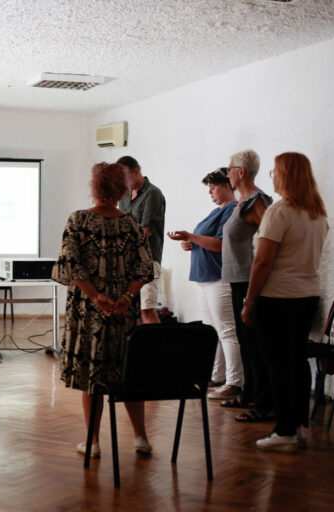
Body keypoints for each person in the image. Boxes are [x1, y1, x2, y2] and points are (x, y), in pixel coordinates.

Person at [53, 162, 154, 458]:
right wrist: (126, 296)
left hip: (88, 313)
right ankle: (141, 438)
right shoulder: (132, 224)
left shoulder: (78, 220)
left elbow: (72, 265)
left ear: (94, 187)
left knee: (92, 378)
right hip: (124, 313)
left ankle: (93, 442)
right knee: (129, 373)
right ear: (121, 189)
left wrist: (96, 297)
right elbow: (145, 267)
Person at [241, 152, 328, 454]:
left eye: (275, 172)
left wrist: (249, 301)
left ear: (286, 176)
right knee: (297, 362)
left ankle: (285, 432)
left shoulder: (279, 212)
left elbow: (263, 262)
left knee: (277, 365)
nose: (272, 178)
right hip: (307, 296)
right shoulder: (317, 213)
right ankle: (299, 425)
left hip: (277, 298)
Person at [167, 168, 243, 400]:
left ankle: (235, 381)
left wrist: (190, 237)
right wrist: (189, 243)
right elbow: (205, 240)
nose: (210, 192)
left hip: (219, 278)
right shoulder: (216, 211)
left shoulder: (232, 209)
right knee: (212, 330)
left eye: (213, 186)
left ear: (227, 186)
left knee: (226, 330)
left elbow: (220, 245)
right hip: (206, 278)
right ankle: (217, 375)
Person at [221, 149, 274, 422]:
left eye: (229, 168)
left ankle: (263, 403)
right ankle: (250, 393)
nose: (227, 173)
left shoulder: (255, 201)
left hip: (248, 281)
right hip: (238, 279)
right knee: (245, 341)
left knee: (253, 343)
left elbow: (271, 234)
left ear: (241, 171)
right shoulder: (243, 201)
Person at [117, 156, 165, 324]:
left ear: (136, 172)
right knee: (130, 311)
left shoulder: (153, 193)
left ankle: (158, 343)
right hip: (127, 262)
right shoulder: (125, 196)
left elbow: (145, 231)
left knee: (147, 310)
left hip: (147, 261)